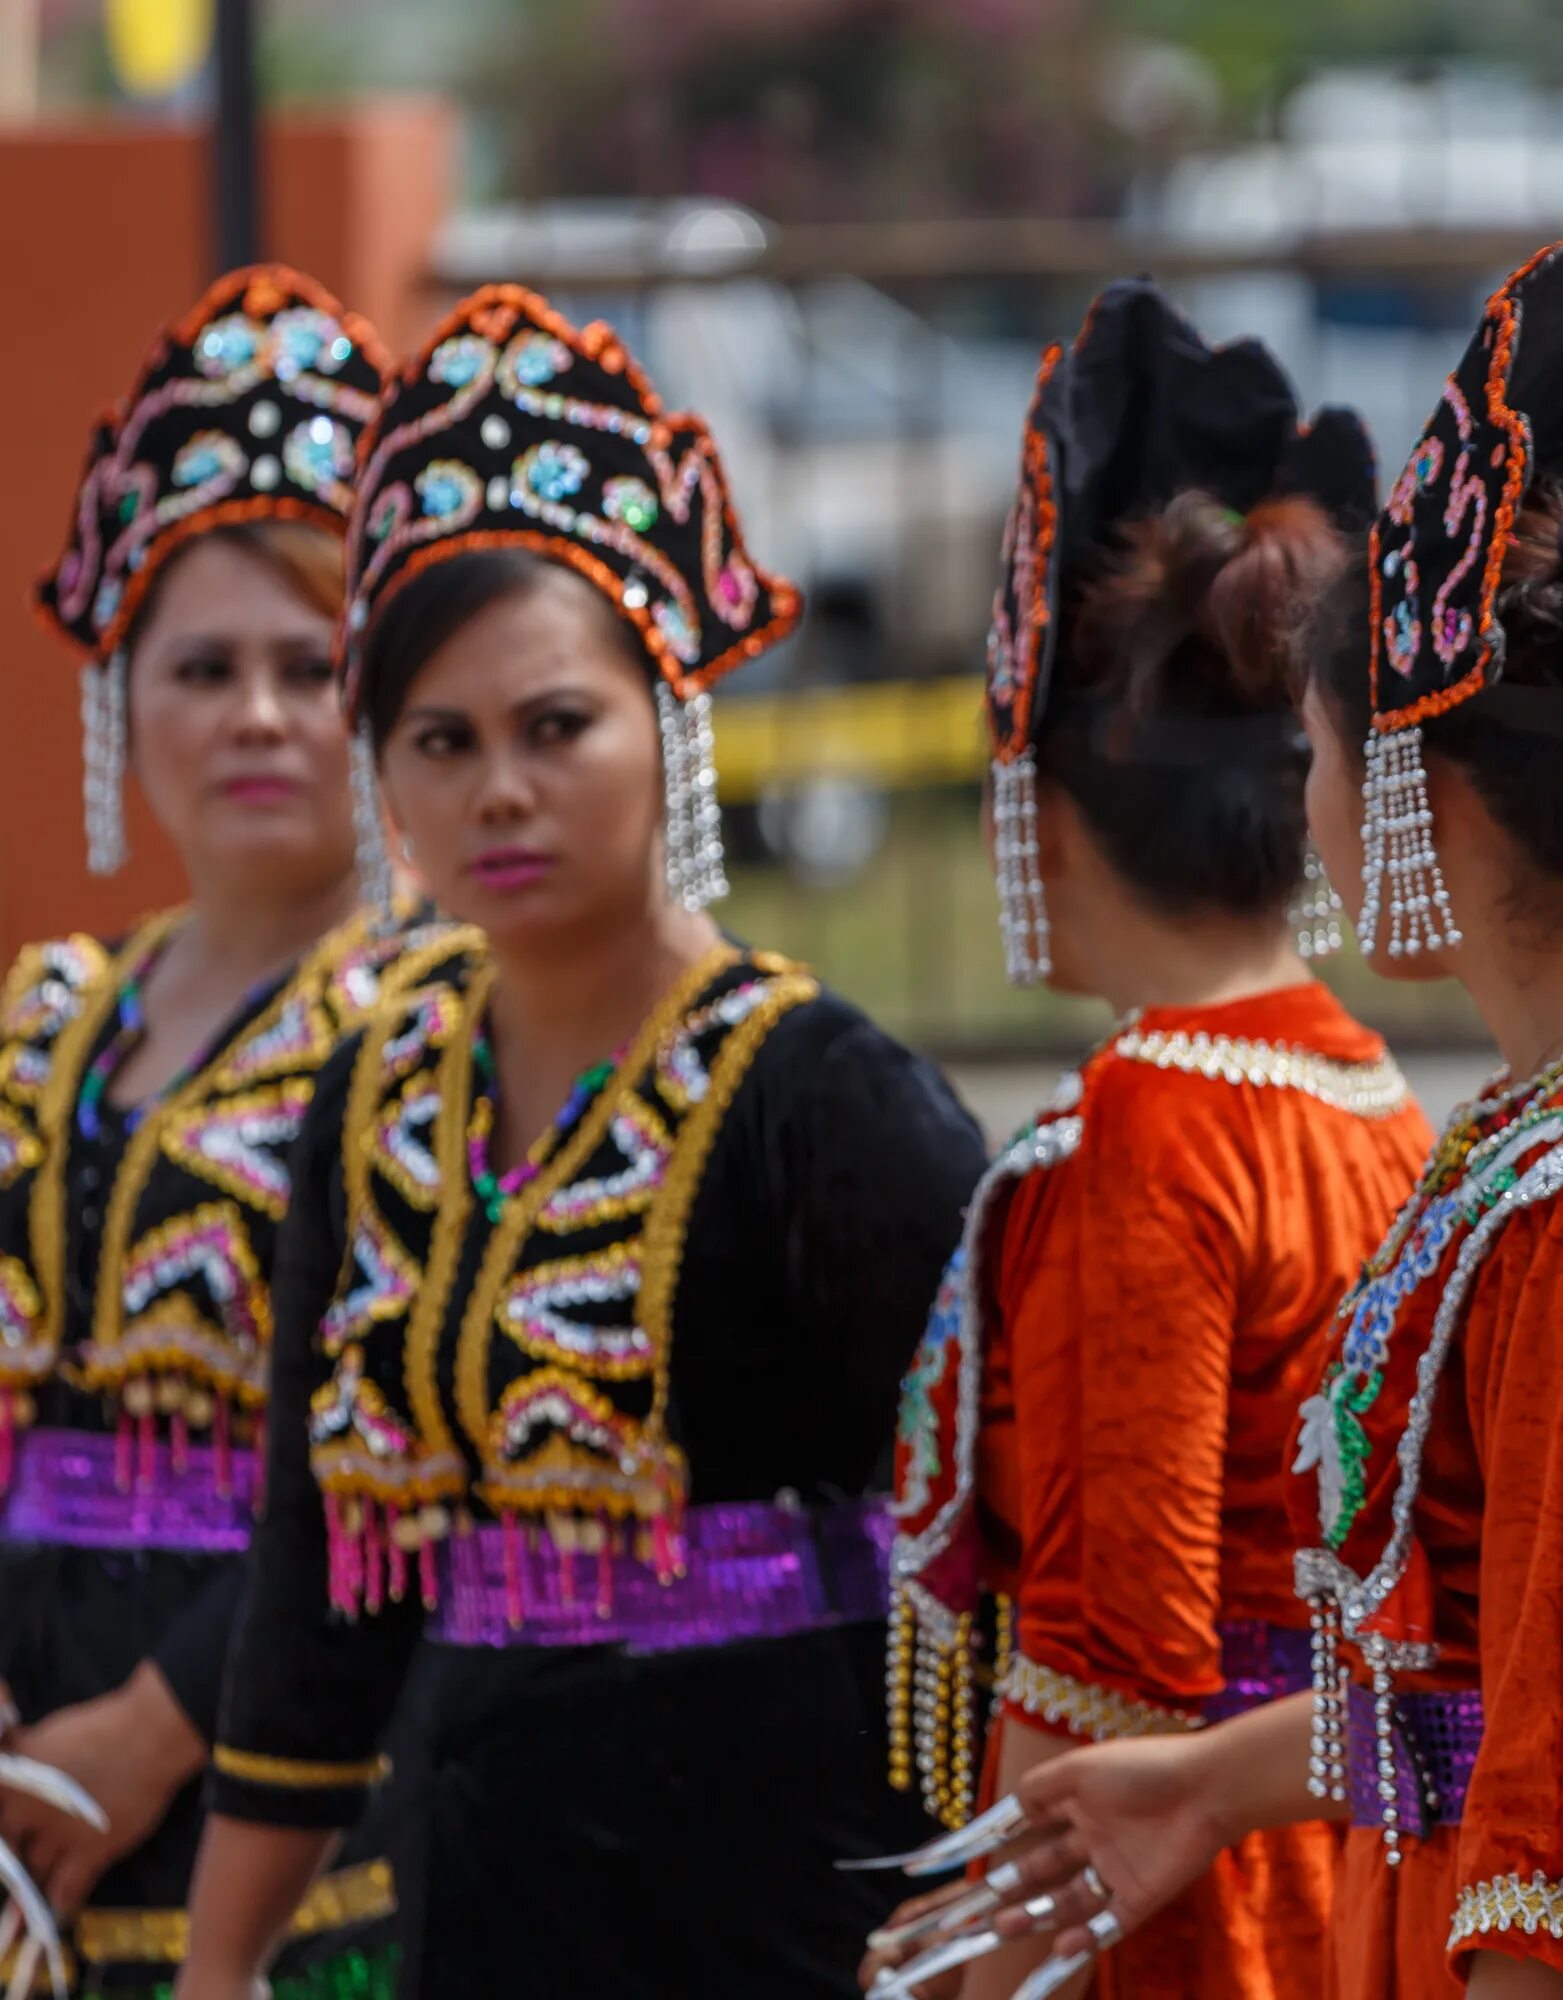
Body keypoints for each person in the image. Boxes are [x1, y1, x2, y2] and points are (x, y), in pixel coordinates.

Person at [877, 237, 1563, 2000]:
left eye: (1315, 755)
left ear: (1408, 779)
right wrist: (1211, 1789)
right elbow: (1488, 1684)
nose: (1302, 807)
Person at [175, 283, 988, 1999]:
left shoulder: (826, 1105)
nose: (500, 794)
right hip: (481, 1895)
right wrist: (219, 1967)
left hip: (786, 1904)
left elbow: (996, 1558)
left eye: (558, 728)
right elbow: (322, 1585)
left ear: (668, 729)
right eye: (443, 743)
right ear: (384, 777)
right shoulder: (379, 1094)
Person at [861, 283, 1432, 1998]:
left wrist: (973, 1969)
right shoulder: (1374, 1098)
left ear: (1031, 804)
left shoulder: (1144, 1130)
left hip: (1178, 1912)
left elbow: (1110, 1658)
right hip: (1351, 1868)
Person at [1, 265, 423, 1999]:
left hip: (298, 1789)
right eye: (200, 668)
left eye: (302, 668)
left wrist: (150, 1733)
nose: (253, 714)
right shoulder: (39, 1015)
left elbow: (390, 1464)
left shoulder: (439, 1034)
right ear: (123, 707)